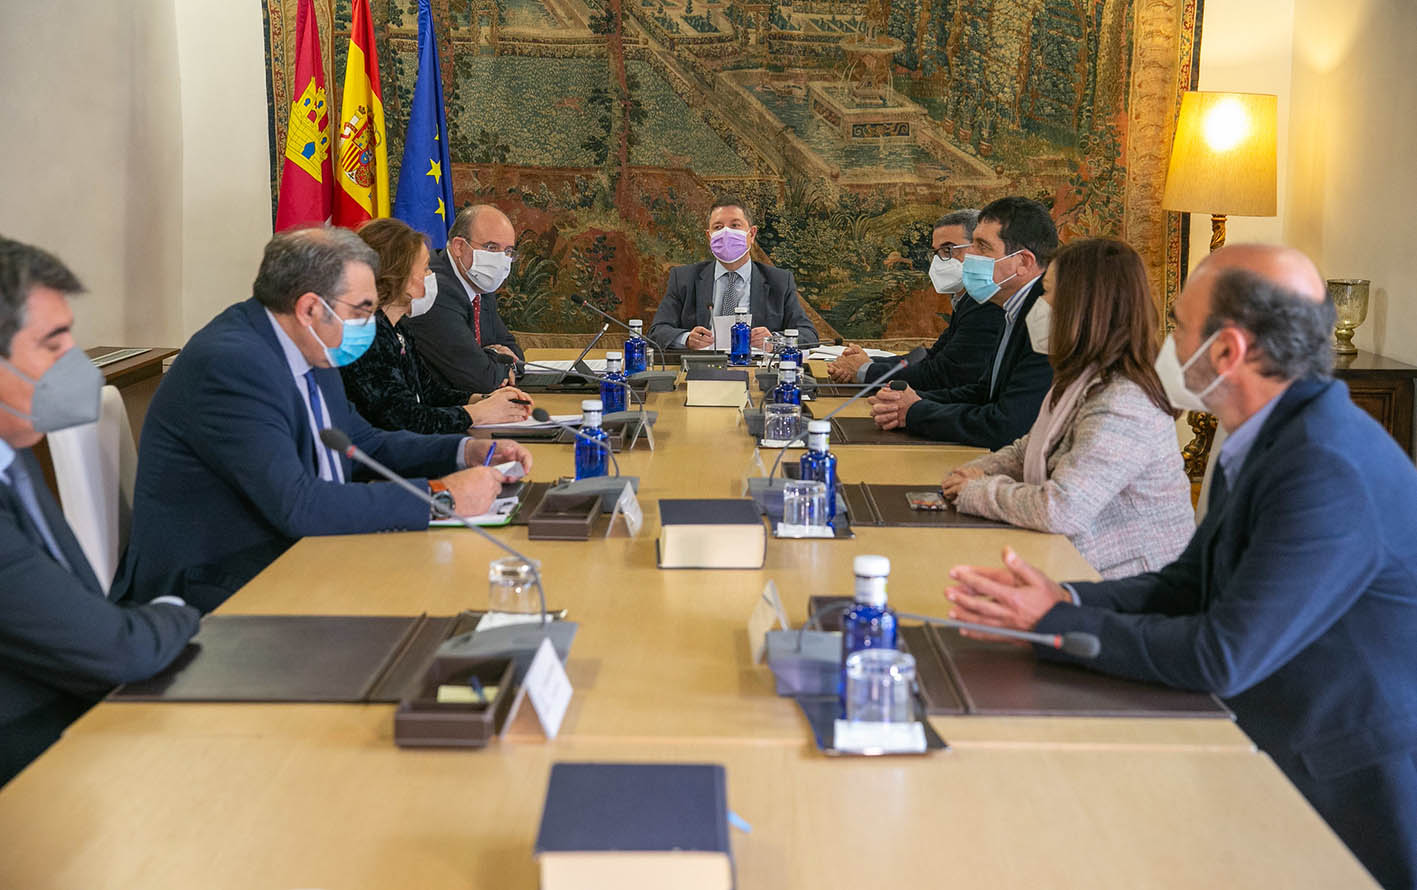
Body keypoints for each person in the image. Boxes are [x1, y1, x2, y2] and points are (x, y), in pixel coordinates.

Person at [945, 244, 1417, 890]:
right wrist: (1067, 600)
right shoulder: (1269, 433)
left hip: (1333, 790)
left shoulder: (1323, 465)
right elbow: (1186, 583)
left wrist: (1055, 624)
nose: (1164, 339)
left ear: (1225, 351)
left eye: (1177, 324)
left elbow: (1222, 653)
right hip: (1261, 741)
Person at [120, 227, 533, 613]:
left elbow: (362, 444)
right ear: (310, 308)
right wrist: (440, 497)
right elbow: (299, 505)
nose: (368, 323)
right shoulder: (230, 364)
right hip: (216, 583)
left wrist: (465, 451)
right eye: (361, 310)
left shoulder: (309, 342)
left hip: (299, 554)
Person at [0, 237, 199, 784]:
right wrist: (177, 611)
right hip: (35, 768)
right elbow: (116, 651)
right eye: (53, 343)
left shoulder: (12, 447)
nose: (75, 365)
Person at [940, 238, 1192, 578]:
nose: (1039, 304)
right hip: (1068, 561)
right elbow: (1027, 450)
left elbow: (1062, 508)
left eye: (1047, 293)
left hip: (1126, 588)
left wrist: (976, 491)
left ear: (1082, 307)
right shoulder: (1080, 377)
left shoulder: (1124, 402)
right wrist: (972, 472)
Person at [868, 197, 1056, 448]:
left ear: (1023, 262)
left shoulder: (1048, 318)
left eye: (982, 247)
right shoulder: (1010, 305)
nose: (970, 257)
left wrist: (915, 412)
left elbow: (1007, 425)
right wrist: (909, 401)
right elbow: (983, 393)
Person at [341, 218, 533, 434]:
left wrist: (484, 399)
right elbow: (406, 419)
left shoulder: (397, 328)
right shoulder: (367, 337)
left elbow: (430, 393)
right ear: (397, 276)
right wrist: (478, 413)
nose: (431, 276)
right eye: (425, 269)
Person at [828, 209, 1004, 391]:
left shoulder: (988, 303)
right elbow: (931, 357)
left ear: (981, 249)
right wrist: (865, 362)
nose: (939, 261)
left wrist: (865, 370)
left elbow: (943, 375)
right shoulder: (968, 301)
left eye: (948, 250)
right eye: (937, 252)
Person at [648, 196, 818, 351]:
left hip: (755, 372)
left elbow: (808, 335)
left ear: (751, 234)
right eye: (718, 227)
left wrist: (774, 340)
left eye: (735, 225)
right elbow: (657, 331)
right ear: (709, 236)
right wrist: (686, 339)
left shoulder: (779, 281)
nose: (726, 233)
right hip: (700, 370)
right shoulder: (683, 278)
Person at [400, 204, 525, 393]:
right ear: (459, 246)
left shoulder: (480, 282)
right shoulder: (434, 288)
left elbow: (512, 349)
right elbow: (481, 379)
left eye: (508, 251)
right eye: (491, 247)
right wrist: (494, 356)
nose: (500, 260)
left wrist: (503, 362)